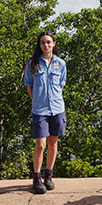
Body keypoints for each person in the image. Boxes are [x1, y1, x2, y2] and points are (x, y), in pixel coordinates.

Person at [23, 31, 67, 194]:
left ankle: (49, 175)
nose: (46, 45)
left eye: (49, 42)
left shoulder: (60, 64)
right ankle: (37, 177)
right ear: (39, 45)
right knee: (40, 144)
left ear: (54, 44)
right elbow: (29, 84)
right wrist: (36, 99)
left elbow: (61, 84)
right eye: (43, 42)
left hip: (57, 108)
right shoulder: (32, 63)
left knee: (53, 143)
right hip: (40, 109)